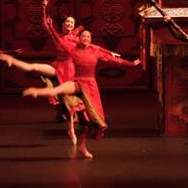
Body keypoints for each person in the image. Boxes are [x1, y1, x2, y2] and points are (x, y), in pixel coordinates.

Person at [18, 29, 141, 159]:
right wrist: (51, 27)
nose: (85, 38)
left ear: (91, 38)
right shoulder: (73, 49)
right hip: (77, 82)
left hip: (90, 87)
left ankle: (82, 146)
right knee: (64, 96)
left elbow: (114, 61)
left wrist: (131, 64)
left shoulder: (95, 50)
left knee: (91, 121)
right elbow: (59, 40)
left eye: (88, 36)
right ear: (79, 38)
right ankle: (36, 91)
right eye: (83, 36)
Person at [0, 0, 89, 144]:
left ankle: (71, 130)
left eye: (72, 22)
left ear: (73, 25)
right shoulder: (57, 36)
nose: (69, 24)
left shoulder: (77, 37)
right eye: (67, 22)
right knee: (34, 66)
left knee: (69, 103)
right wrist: (44, 8)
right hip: (57, 67)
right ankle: (12, 61)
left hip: (70, 70)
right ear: (63, 25)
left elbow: (87, 40)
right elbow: (46, 24)